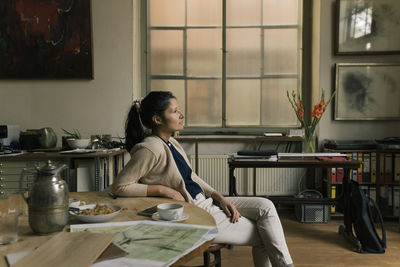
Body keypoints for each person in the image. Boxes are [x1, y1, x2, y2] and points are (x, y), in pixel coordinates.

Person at [111, 91, 294, 267]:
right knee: (267, 235)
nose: (181, 115)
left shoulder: (171, 142)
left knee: (266, 207)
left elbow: (192, 177)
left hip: (206, 202)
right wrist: (163, 190)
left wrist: (220, 197)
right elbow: (120, 187)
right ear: (157, 119)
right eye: (174, 111)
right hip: (195, 211)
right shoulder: (151, 148)